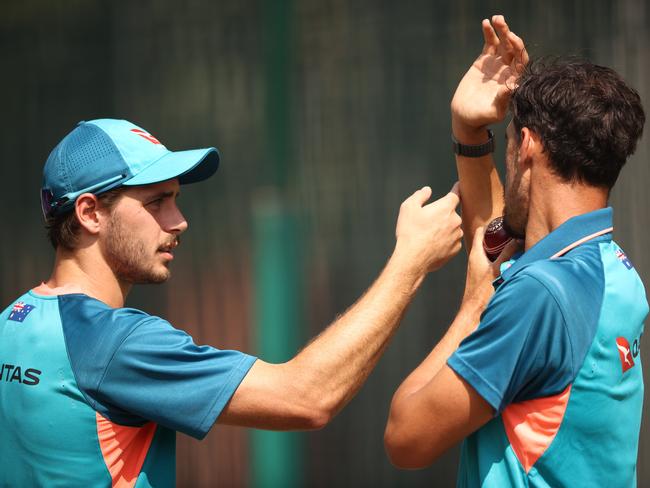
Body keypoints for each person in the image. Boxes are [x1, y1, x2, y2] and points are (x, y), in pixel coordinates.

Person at [0, 118, 462, 486]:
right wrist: (411, 261)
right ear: (89, 212)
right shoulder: (115, 342)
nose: (179, 221)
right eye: (157, 202)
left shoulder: (13, 322)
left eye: (176, 200)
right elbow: (307, 397)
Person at [384, 15, 647, 487]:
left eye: (508, 146)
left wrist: (472, 308)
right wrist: (467, 129)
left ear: (526, 145)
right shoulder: (612, 273)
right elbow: (497, 239)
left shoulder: (539, 296)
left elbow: (406, 437)